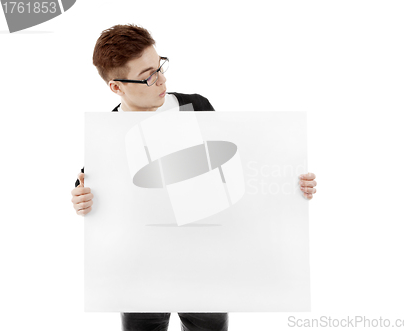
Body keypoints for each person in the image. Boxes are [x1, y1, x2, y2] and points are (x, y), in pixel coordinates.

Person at [70, 24, 318, 331]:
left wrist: (290, 185)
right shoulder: (105, 135)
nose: (161, 79)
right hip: (140, 271)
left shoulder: (197, 107)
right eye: (148, 75)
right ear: (117, 87)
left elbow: (242, 169)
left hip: (205, 265)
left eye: (160, 66)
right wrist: (80, 199)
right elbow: (89, 193)